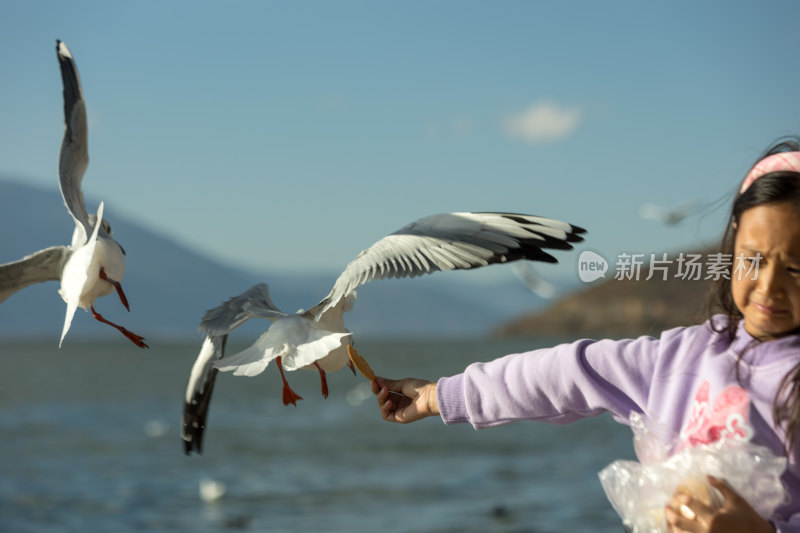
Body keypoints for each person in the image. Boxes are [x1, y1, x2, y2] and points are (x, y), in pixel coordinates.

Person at [372, 137, 800, 533]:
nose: (768, 286)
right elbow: (564, 373)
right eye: (753, 258)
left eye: (796, 267)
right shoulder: (682, 357)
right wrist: (438, 396)